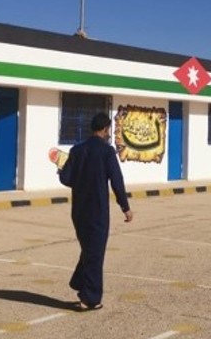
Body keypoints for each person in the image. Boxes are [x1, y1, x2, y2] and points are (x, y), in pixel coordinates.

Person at [58, 112, 133, 310]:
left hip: (79, 211)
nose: (109, 134)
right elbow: (117, 181)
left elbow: (66, 179)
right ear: (105, 129)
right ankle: (89, 299)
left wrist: (60, 167)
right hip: (97, 211)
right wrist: (125, 207)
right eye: (109, 130)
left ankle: (79, 282)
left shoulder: (76, 150)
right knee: (95, 254)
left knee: (90, 250)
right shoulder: (107, 152)